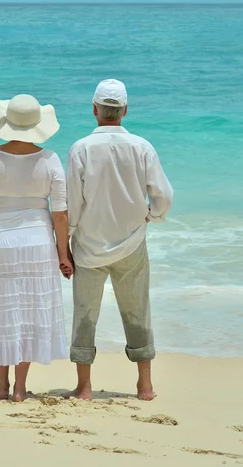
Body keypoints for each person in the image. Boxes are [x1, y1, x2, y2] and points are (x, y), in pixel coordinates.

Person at [66, 79, 173, 401]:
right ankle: (145, 386)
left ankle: (84, 388)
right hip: (131, 243)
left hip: (87, 247)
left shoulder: (80, 148)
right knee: (138, 311)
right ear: (124, 110)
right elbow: (163, 195)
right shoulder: (142, 147)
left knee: (85, 314)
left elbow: (72, 203)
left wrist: (64, 242)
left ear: (95, 110)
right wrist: (153, 216)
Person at [0, 94, 73, 402]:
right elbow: (60, 213)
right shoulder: (50, 159)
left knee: (1, 314)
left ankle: (1, 385)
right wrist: (63, 254)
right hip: (38, 242)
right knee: (28, 314)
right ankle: (20, 388)